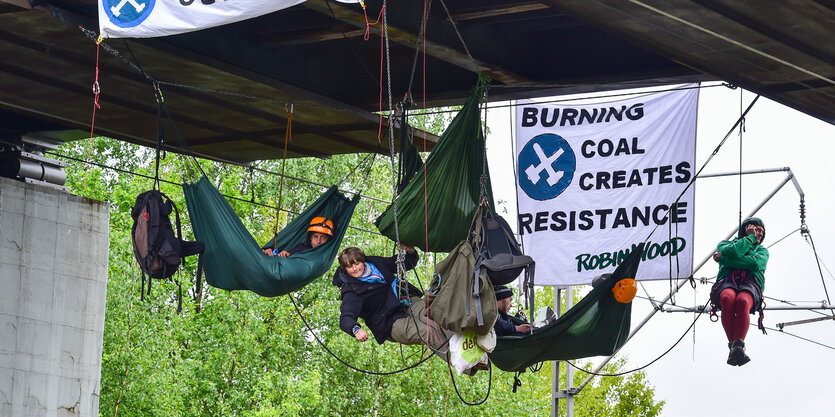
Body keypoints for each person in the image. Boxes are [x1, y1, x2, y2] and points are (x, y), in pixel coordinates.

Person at [333, 245, 450, 358]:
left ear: (362, 261)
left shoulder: (375, 264)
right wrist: (355, 329)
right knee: (427, 333)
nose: (355, 269)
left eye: (357, 264)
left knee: (436, 316)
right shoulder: (351, 290)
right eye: (349, 267)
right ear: (345, 269)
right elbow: (346, 316)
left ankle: (463, 342)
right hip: (389, 321)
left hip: (405, 300)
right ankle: (459, 358)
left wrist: (409, 250)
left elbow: (403, 263)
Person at [711, 217, 768, 366]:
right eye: (757, 230)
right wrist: (749, 238)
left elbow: (755, 263)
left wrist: (724, 260)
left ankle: (737, 345)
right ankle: (736, 347)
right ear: (747, 229)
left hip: (750, 283)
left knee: (743, 301)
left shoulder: (762, 251)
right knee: (726, 298)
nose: (760, 234)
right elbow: (734, 251)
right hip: (727, 281)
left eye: (762, 231)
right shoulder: (726, 244)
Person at [262, 216, 333, 257]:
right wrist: (284, 254)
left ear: (328, 240)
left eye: (323, 237)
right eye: (315, 236)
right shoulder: (301, 247)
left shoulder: (325, 256)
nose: (318, 241)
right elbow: (289, 255)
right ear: (310, 238)